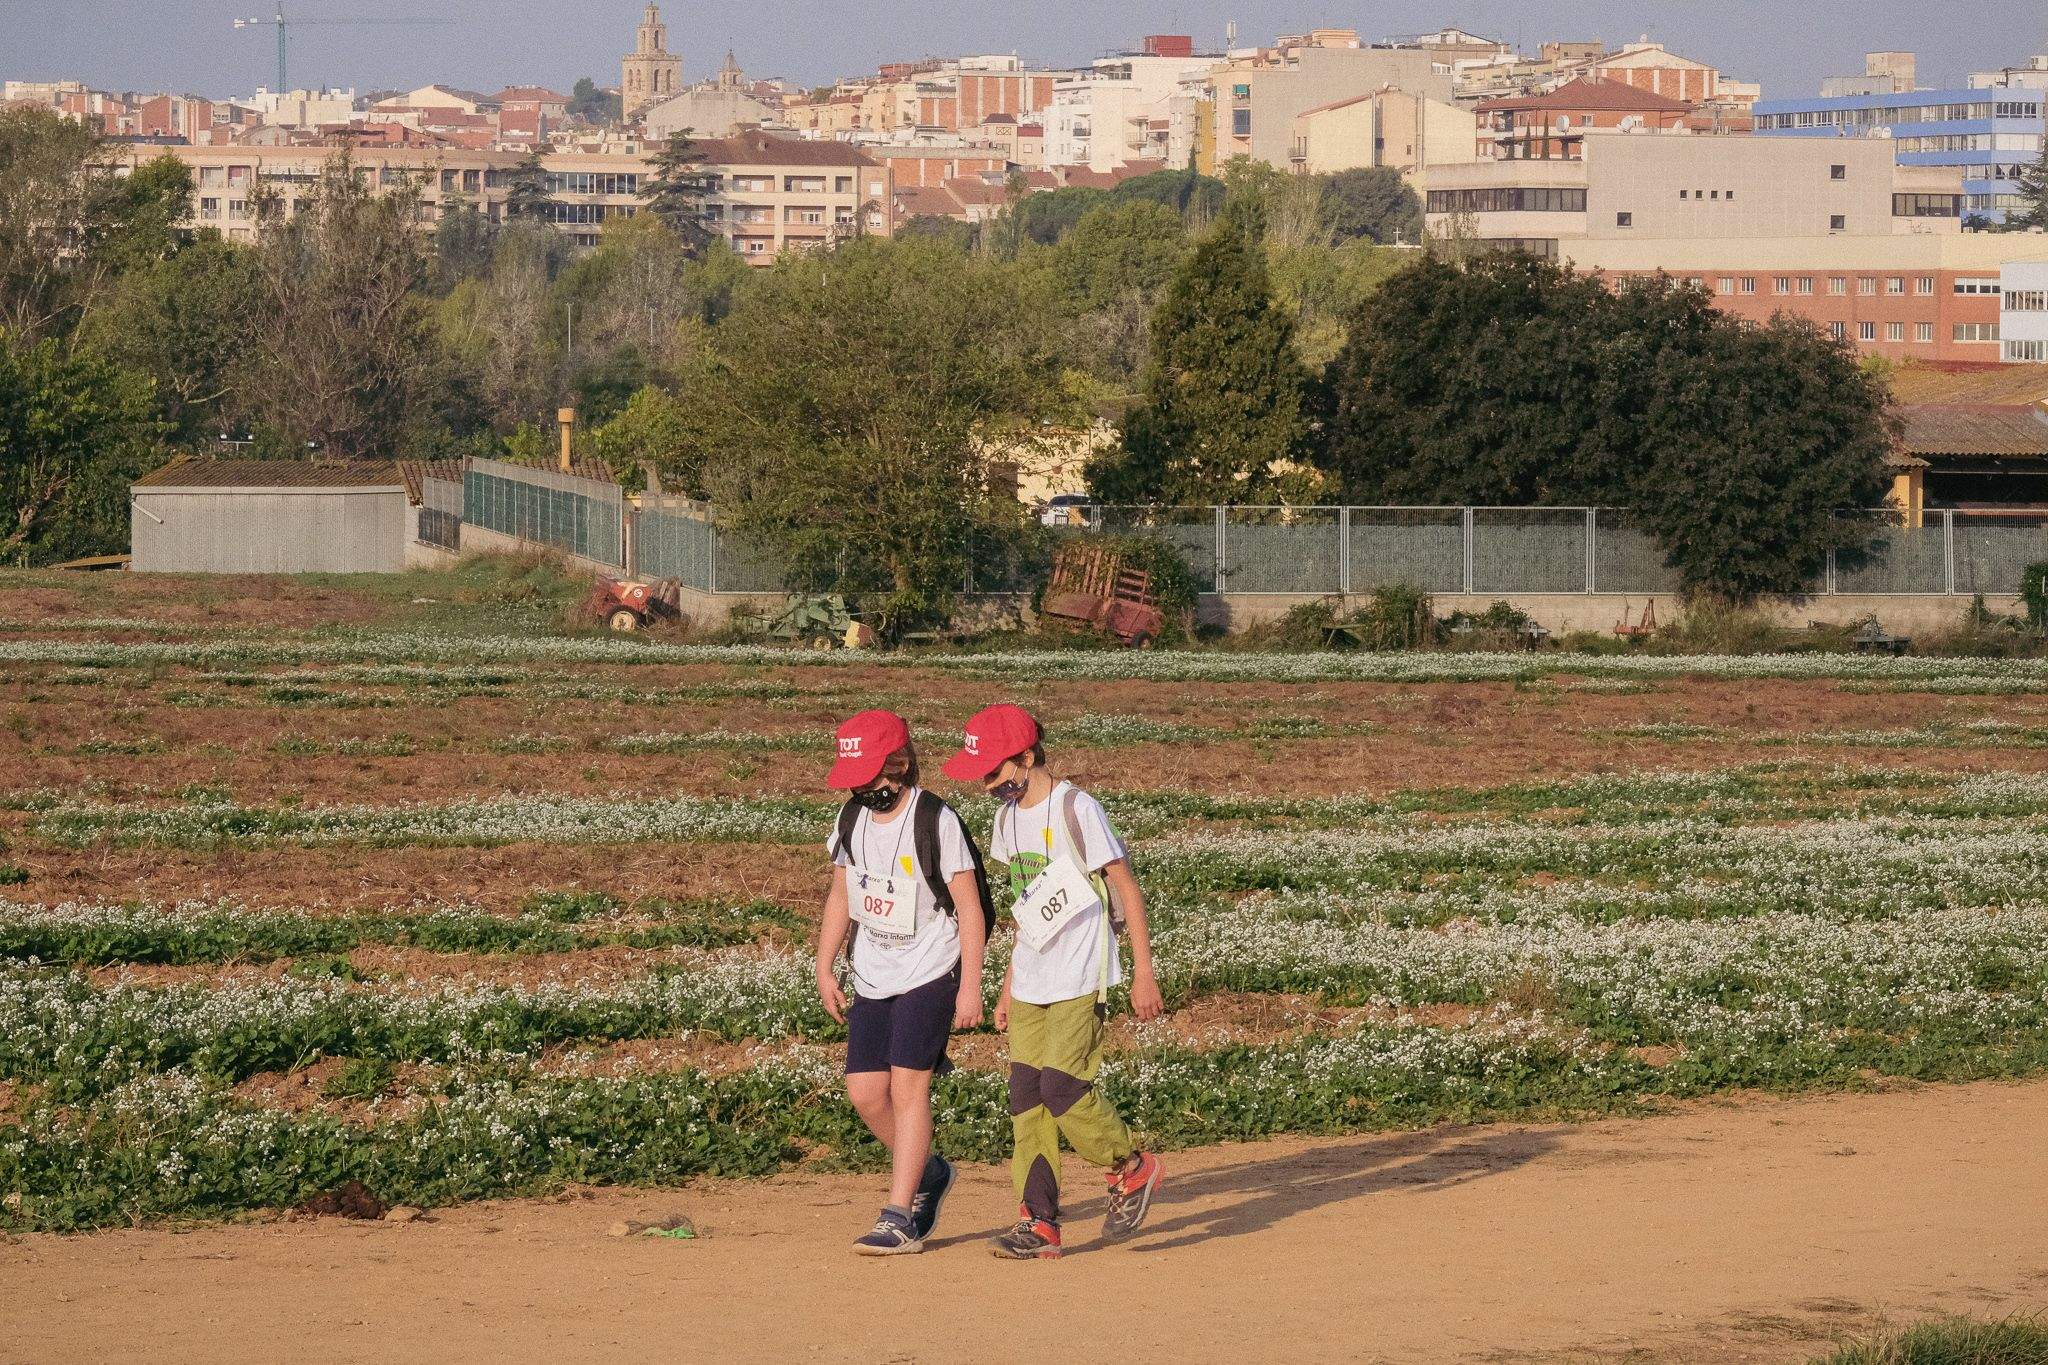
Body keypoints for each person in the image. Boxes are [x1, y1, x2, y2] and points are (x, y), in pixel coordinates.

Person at [941, 703, 1165, 1260]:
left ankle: (1130, 1167)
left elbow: (1126, 889)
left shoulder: (1077, 808)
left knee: (1062, 1090)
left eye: (994, 773)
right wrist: (1008, 982)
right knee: (1026, 1099)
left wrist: (1143, 971)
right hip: (1032, 978)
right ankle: (1039, 1222)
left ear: (1027, 756)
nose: (987, 785)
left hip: (1081, 974)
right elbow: (1028, 907)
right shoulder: (1005, 819)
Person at [816, 708, 991, 1256]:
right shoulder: (850, 821)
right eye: (856, 778)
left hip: (931, 968)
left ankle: (900, 1215)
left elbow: (969, 908)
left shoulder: (935, 820)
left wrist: (970, 984)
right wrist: (824, 963)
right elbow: (842, 895)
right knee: (867, 1094)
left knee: (908, 1085)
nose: (864, 787)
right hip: (872, 969)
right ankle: (931, 1172)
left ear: (899, 764)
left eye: (871, 774)